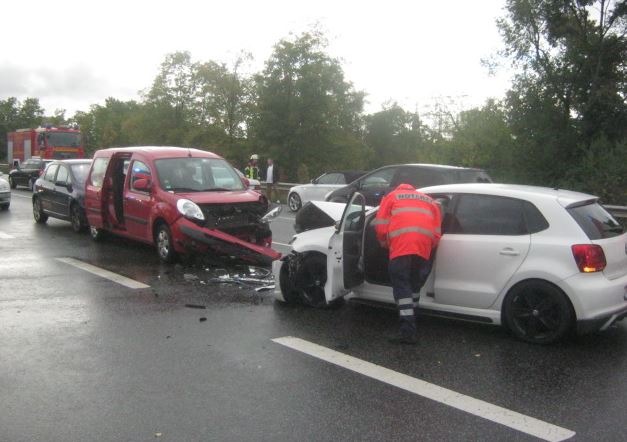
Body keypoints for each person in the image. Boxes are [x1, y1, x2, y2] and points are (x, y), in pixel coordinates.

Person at [374, 183, 441, 345]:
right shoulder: (429, 200)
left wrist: (384, 243)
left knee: (402, 287)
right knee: (414, 284)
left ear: (398, 188)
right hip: (423, 247)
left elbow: (381, 226)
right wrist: (427, 247)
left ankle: (407, 332)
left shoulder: (391, 197)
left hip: (402, 247)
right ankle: (412, 315)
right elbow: (437, 232)